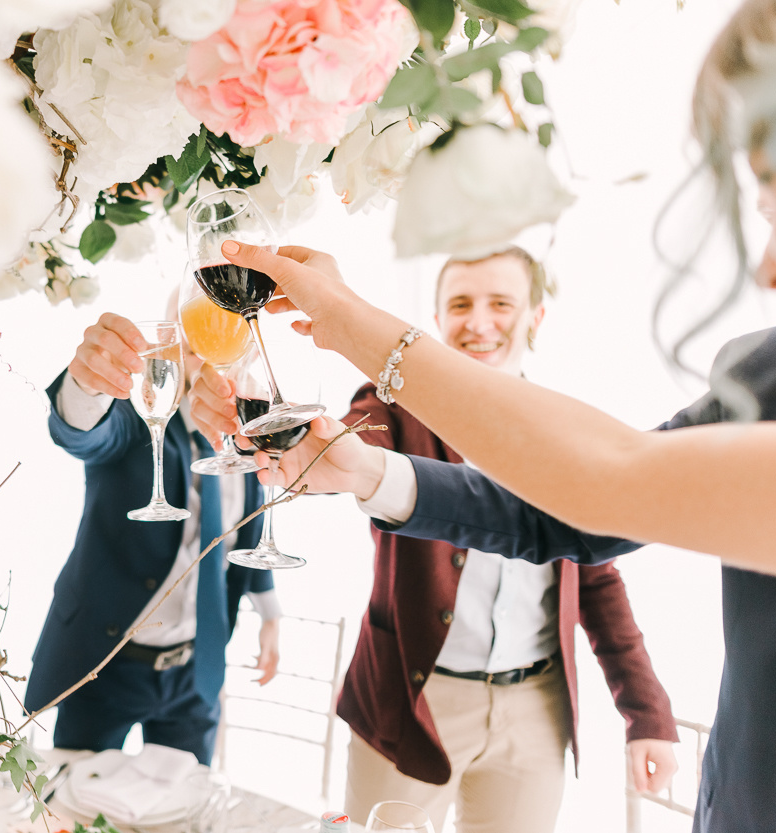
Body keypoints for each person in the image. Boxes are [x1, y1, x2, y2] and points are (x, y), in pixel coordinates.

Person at [194, 251, 678, 832]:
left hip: (536, 710)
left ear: (536, 318)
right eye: (460, 304)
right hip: (411, 699)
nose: (479, 322)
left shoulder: (563, 433)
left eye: (500, 303)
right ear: (435, 318)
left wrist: (647, 712)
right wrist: (276, 422)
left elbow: (597, 574)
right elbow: (350, 445)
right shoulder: (391, 405)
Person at [22, 311, 280, 765]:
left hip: (196, 669)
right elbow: (85, 432)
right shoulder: (139, 418)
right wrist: (85, 385)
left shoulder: (250, 430)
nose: (212, 359)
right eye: (198, 339)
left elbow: (246, 529)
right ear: (173, 345)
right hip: (107, 664)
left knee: (181, 811)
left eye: (228, 337)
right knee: (74, 804)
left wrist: (269, 613)